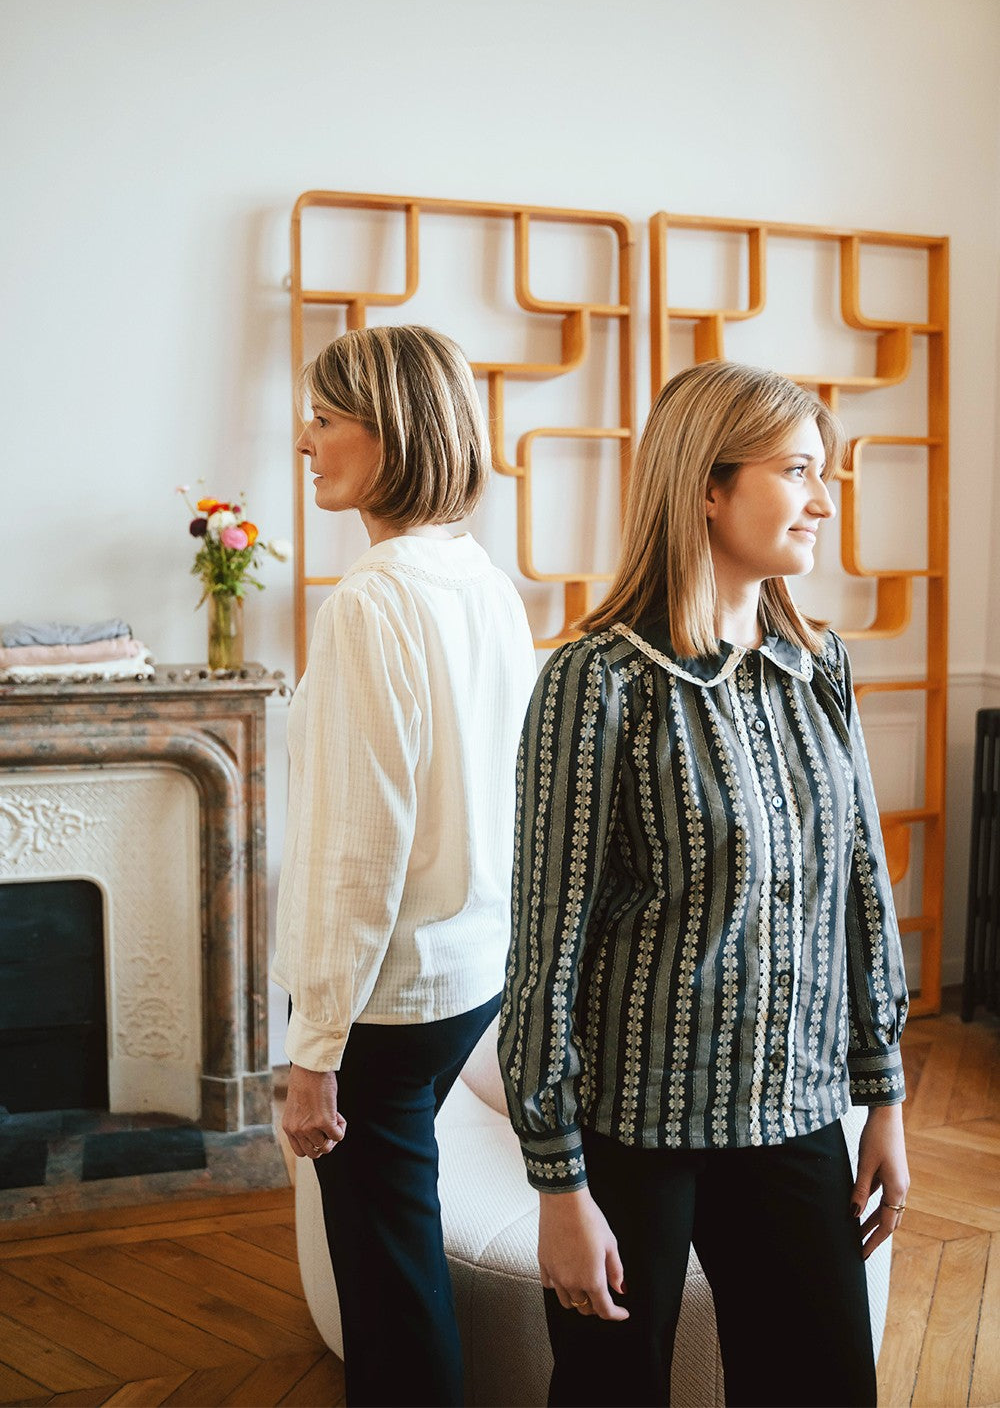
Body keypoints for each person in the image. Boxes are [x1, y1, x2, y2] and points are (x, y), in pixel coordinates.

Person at [499, 359, 909, 1408]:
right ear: (707, 488)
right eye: (798, 471)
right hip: (637, 1133)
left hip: (797, 1114)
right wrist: (557, 1185)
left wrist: (884, 1099)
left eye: (827, 476)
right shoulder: (598, 682)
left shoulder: (821, 666)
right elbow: (545, 947)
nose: (823, 501)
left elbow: (860, 888)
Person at [272, 324, 537, 1407]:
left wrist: (313, 1047)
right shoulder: (483, 581)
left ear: (386, 436)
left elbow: (356, 850)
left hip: (386, 997)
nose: (304, 440)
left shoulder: (373, 601)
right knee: (402, 1235)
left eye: (325, 419)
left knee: (387, 1278)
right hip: (468, 975)